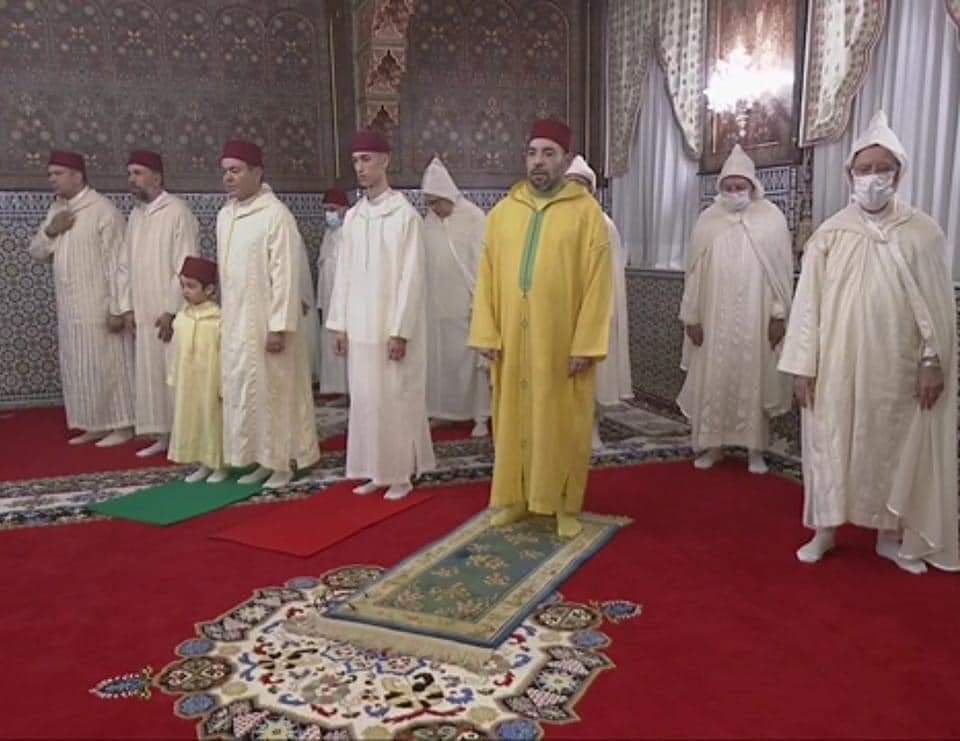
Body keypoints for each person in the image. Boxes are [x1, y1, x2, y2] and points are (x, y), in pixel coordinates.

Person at [779, 111, 959, 574]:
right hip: (834, 364)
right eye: (865, 169)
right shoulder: (830, 234)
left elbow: (934, 309)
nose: (873, 177)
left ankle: (888, 534)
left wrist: (932, 361)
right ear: (850, 175)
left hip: (895, 364)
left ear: (899, 174)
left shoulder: (923, 233)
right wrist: (802, 365)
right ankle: (824, 530)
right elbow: (807, 306)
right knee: (829, 443)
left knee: (889, 443)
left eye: (883, 168)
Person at [469, 119, 612, 538]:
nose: (539, 162)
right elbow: (486, 276)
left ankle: (564, 505)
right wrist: (487, 332)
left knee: (562, 422)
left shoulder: (586, 214)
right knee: (513, 421)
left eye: (549, 154)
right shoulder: (502, 214)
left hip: (561, 342)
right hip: (512, 341)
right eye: (532, 153)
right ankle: (516, 499)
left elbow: (598, 284)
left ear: (565, 160)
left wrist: (585, 344)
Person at [326, 130, 436, 500]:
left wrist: (400, 330)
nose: (360, 167)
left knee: (396, 399)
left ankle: (401, 473)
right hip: (359, 327)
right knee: (367, 401)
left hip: (391, 328)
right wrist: (340, 325)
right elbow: (343, 274)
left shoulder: (404, 216)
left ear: (385, 161)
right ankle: (376, 469)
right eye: (356, 161)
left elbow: (411, 278)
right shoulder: (354, 217)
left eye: (367, 159)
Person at [676, 144, 794, 474]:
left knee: (753, 379)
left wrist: (778, 315)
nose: (734, 192)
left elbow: (779, 276)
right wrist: (691, 316)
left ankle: (755, 449)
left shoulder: (772, 220)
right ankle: (713, 447)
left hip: (757, 320)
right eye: (728, 187)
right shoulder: (708, 221)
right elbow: (694, 274)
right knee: (714, 380)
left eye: (740, 186)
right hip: (713, 320)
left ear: (753, 187)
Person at [217, 140, 319, 489]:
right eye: (225, 171)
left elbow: (285, 276)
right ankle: (261, 458)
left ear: (257, 172)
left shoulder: (276, 215)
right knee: (249, 393)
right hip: (237, 324)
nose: (228, 178)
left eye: (236, 170)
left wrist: (278, 327)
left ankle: (286, 462)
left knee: (277, 392)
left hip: (268, 326)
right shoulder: (226, 215)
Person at [28, 150, 135, 447]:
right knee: (79, 366)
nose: (52, 179)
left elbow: (119, 263)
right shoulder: (57, 210)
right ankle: (93, 424)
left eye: (58, 174)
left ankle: (122, 425)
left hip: (99, 306)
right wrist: (52, 230)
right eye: (50, 174)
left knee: (107, 364)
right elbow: (36, 252)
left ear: (77, 176)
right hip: (69, 307)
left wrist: (118, 307)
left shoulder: (103, 210)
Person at [117, 150, 200, 458]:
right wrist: (126, 306)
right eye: (130, 174)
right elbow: (124, 266)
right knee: (151, 375)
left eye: (138, 173)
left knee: (174, 374)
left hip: (169, 312)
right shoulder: (136, 216)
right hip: (143, 310)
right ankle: (163, 435)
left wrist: (171, 309)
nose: (132, 179)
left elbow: (186, 263)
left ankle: (186, 437)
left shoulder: (177, 211)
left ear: (157, 177)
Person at [564, 155, 634, 451]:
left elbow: (611, 274)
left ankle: (593, 429)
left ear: (590, 190)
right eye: (570, 183)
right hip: (560, 312)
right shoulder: (552, 222)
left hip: (595, 311)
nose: (575, 189)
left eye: (581, 184)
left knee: (593, 376)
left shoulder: (604, 225)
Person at [421, 155, 490, 438]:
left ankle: (480, 416)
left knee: (472, 364)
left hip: (467, 306)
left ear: (449, 195)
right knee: (440, 363)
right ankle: (443, 411)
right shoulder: (429, 222)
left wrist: (480, 301)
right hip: (437, 309)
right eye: (430, 203)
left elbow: (483, 263)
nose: (434, 209)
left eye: (437, 202)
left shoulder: (474, 218)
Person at [167, 256, 227, 483]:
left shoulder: (218, 320)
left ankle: (219, 465)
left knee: (212, 421)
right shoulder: (182, 318)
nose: (185, 291)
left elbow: (225, 355)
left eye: (191, 286)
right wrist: (174, 375)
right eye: (183, 285)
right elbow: (174, 350)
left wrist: (223, 385)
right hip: (188, 382)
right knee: (193, 421)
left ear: (209, 289)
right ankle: (202, 463)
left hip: (211, 382)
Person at [316, 188, 350, 398]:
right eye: (326, 210)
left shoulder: (349, 233)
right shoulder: (329, 234)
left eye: (333, 209)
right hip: (328, 298)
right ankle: (333, 388)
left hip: (344, 301)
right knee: (328, 341)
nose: (329, 214)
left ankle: (346, 390)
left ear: (344, 209)